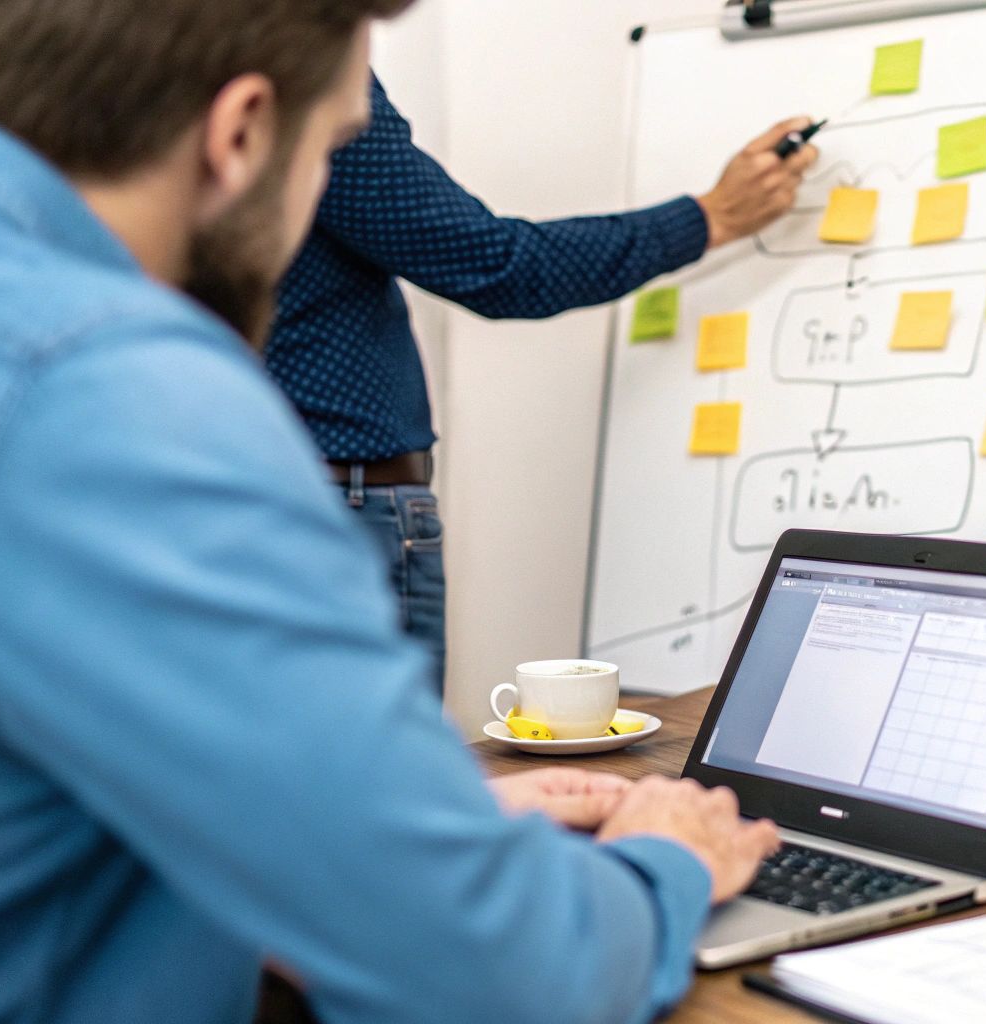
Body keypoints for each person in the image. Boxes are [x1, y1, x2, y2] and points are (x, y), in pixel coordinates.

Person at [0, 2, 777, 1021]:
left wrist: (379, 838)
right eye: (335, 145)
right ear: (240, 134)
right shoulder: (118, 397)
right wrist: (663, 860)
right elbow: (496, 974)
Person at [269, 78, 819, 691]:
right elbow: (498, 266)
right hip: (340, 504)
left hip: (279, 494)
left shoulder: (174, 62)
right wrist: (710, 217)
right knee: (373, 773)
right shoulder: (296, 64)